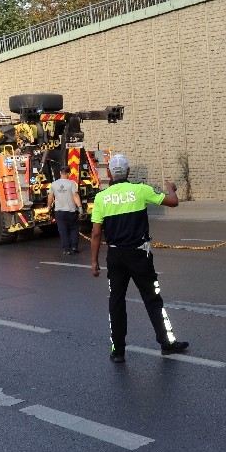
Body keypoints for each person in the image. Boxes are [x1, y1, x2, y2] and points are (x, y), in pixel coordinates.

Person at [90, 153, 189, 363]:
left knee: (116, 302)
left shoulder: (101, 198)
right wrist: (171, 187)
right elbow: (173, 202)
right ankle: (166, 343)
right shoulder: (140, 190)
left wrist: (94, 262)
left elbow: (96, 233)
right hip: (139, 255)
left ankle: (118, 351)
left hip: (115, 257)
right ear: (128, 172)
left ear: (109, 173)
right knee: (153, 299)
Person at [48, 165, 83, 255]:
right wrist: (80, 207)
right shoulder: (72, 183)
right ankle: (74, 247)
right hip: (71, 211)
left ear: (60, 173)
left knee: (63, 230)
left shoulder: (54, 184)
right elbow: (75, 196)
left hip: (59, 211)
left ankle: (66, 249)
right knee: (74, 229)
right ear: (69, 173)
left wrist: (48, 207)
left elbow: (50, 196)